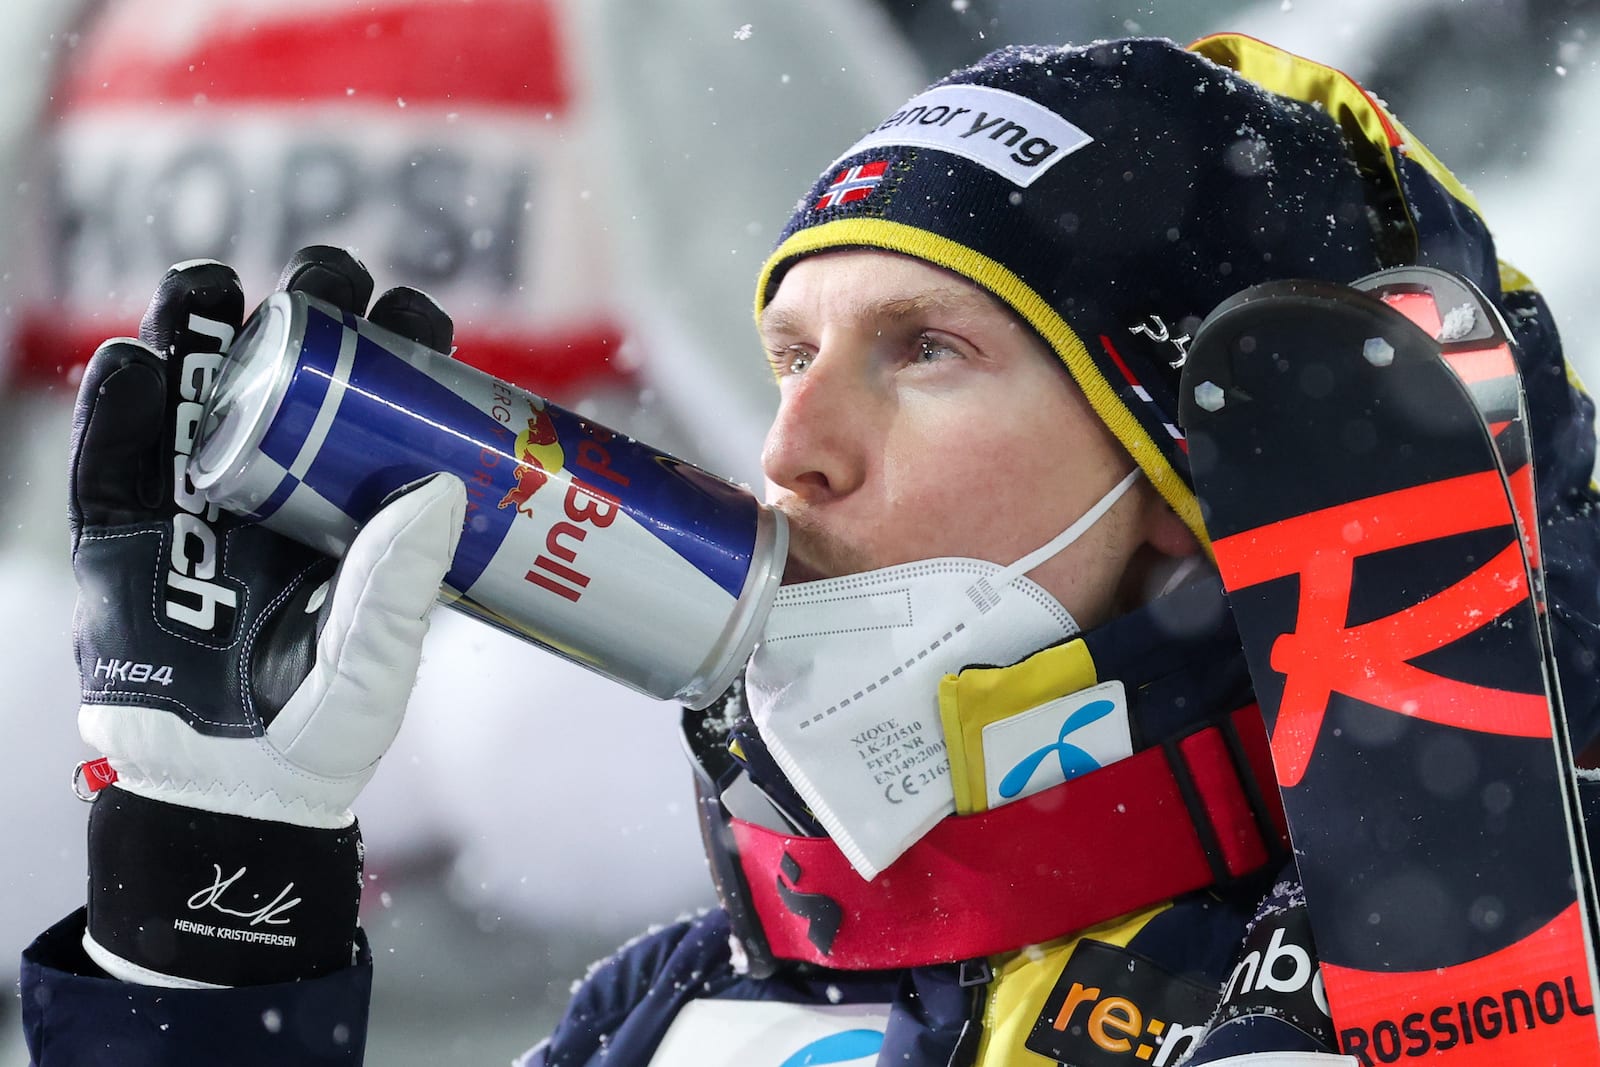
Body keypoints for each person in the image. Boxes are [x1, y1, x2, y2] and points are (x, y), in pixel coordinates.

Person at [18, 31, 1600, 1067]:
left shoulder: (1446, 974)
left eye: (925, 349)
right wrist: (207, 925)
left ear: (1211, 466)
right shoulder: (674, 1007)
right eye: (788, 356)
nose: (790, 450)